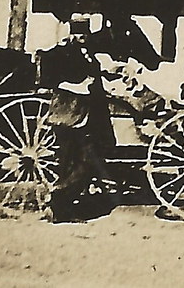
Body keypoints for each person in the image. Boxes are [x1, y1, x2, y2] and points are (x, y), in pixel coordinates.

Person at [39, 17, 115, 223]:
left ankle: (62, 209)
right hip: (68, 113)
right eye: (78, 33)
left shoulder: (88, 54)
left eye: (85, 33)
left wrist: (108, 76)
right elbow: (53, 82)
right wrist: (79, 86)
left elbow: (93, 76)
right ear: (71, 34)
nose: (82, 37)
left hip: (85, 114)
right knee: (77, 160)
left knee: (76, 161)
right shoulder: (61, 53)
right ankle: (58, 200)